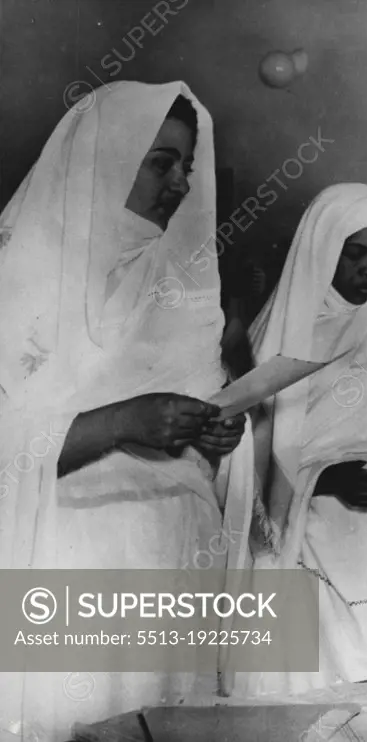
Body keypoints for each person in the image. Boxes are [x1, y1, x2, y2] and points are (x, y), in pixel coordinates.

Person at [0, 82, 252, 741]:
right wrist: (117, 425)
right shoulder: (15, 278)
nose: (177, 184)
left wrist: (217, 434)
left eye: (186, 168)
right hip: (63, 567)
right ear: (104, 158)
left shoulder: (183, 289)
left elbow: (202, 420)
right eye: (159, 162)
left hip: (169, 565)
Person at [233, 184, 367, 693]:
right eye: (354, 255)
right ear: (322, 251)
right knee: (322, 700)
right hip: (312, 545)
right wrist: (328, 478)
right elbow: (250, 471)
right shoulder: (280, 341)